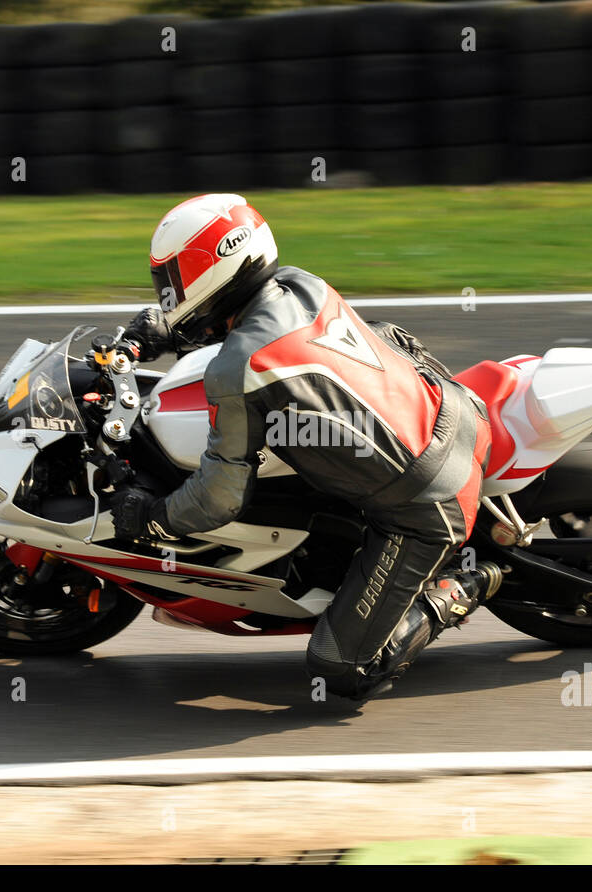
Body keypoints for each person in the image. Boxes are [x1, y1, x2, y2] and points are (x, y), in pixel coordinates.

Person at [108, 194, 501, 700]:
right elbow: (231, 330)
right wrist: (157, 331)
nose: (169, 292)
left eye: (175, 279)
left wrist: (153, 518)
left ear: (217, 266)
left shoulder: (239, 369)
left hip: (427, 499)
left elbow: (220, 497)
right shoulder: (297, 283)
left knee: (340, 669)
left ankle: (469, 584)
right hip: (448, 405)